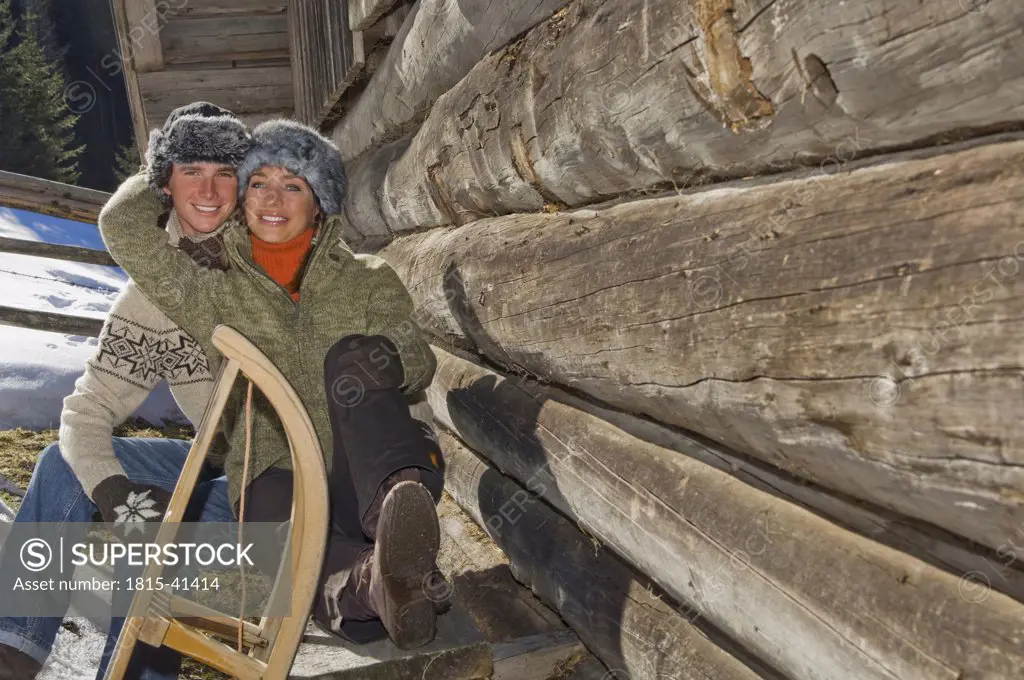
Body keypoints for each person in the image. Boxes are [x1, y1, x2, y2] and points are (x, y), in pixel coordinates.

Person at [98, 119, 448, 652]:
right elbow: (121, 226)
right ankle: (376, 586)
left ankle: (394, 517)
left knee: (353, 358)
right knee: (287, 545)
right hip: (274, 472)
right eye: (257, 182)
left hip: (375, 467)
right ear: (243, 197)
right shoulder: (212, 288)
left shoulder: (368, 277)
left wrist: (374, 360)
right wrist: (172, 162)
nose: (272, 199)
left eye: (293, 185)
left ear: (320, 202)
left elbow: (419, 362)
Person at [0, 102, 251, 680]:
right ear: (163, 184)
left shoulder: (271, 260)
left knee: (160, 532)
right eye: (191, 170)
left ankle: (133, 671)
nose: (209, 190)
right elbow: (85, 412)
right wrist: (117, 495)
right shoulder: (149, 303)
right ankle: (14, 647)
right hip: (221, 477)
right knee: (67, 468)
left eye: (226, 171)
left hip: (289, 484)